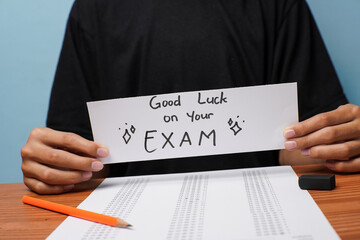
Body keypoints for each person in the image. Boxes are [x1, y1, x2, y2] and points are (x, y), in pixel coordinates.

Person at [21, 0, 360, 194]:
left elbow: (311, 149)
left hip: (264, 213)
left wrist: (341, 145)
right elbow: (76, 158)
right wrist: (52, 166)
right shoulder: (93, 9)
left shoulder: (278, 4)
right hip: (128, 219)